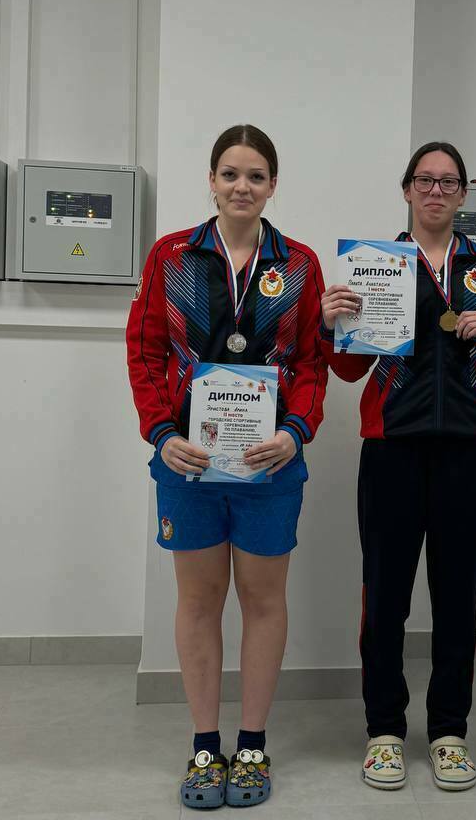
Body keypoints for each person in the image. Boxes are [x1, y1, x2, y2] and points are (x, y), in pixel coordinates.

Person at [126, 124, 328, 809]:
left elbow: (312, 363)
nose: (243, 186)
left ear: (273, 185)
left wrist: (296, 432)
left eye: (256, 176)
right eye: (231, 174)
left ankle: (253, 746)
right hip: (189, 463)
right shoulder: (171, 256)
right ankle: (205, 746)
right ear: (211, 180)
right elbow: (144, 352)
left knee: (264, 602)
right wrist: (161, 433)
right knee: (199, 601)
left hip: (269, 467)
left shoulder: (298, 264)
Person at [320, 142, 476, 792]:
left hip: (466, 451)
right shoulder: (375, 264)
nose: (436, 191)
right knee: (384, 596)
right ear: (407, 189)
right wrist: (330, 325)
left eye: (448, 182)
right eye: (425, 180)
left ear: (463, 194)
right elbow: (348, 368)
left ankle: (448, 732)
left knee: (458, 598)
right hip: (392, 449)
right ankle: (384, 730)